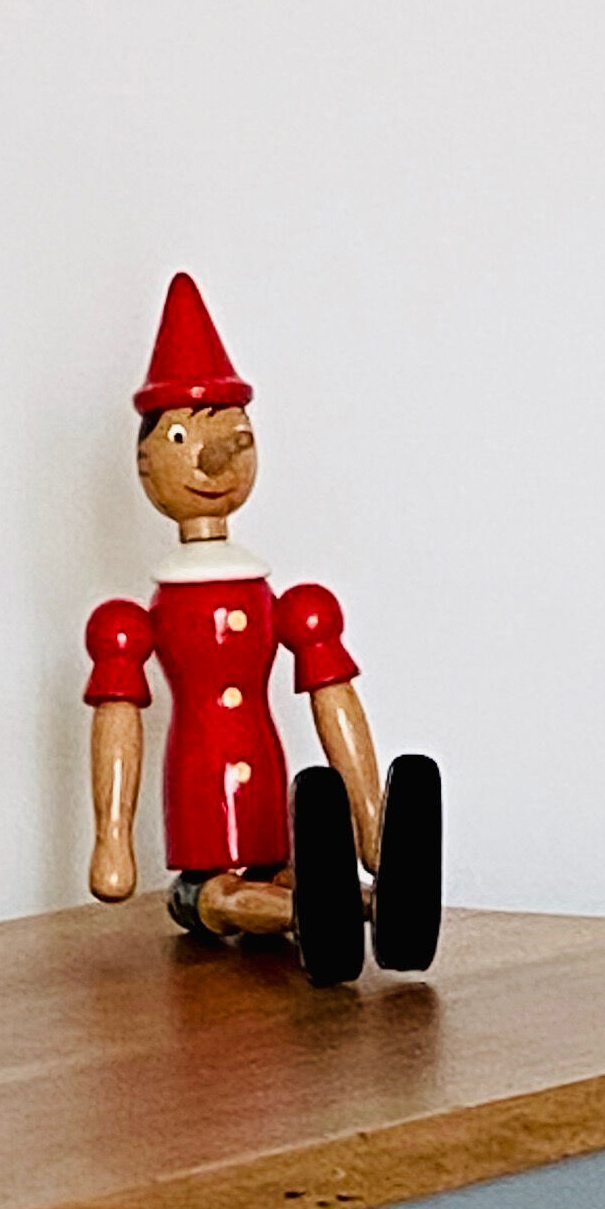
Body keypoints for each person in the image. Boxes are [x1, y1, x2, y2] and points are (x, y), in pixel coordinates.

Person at [82, 274, 440, 982]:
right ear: (146, 459)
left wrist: (372, 825)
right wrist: (111, 844)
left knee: (281, 873)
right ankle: (338, 912)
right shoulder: (138, 619)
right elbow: (116, 715)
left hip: (277, 812)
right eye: (184, 435)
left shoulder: (285, 601)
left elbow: (332, 693)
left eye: (234, 436)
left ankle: (371, 902)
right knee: (219, 896)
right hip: (201, 823)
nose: (216, 459)